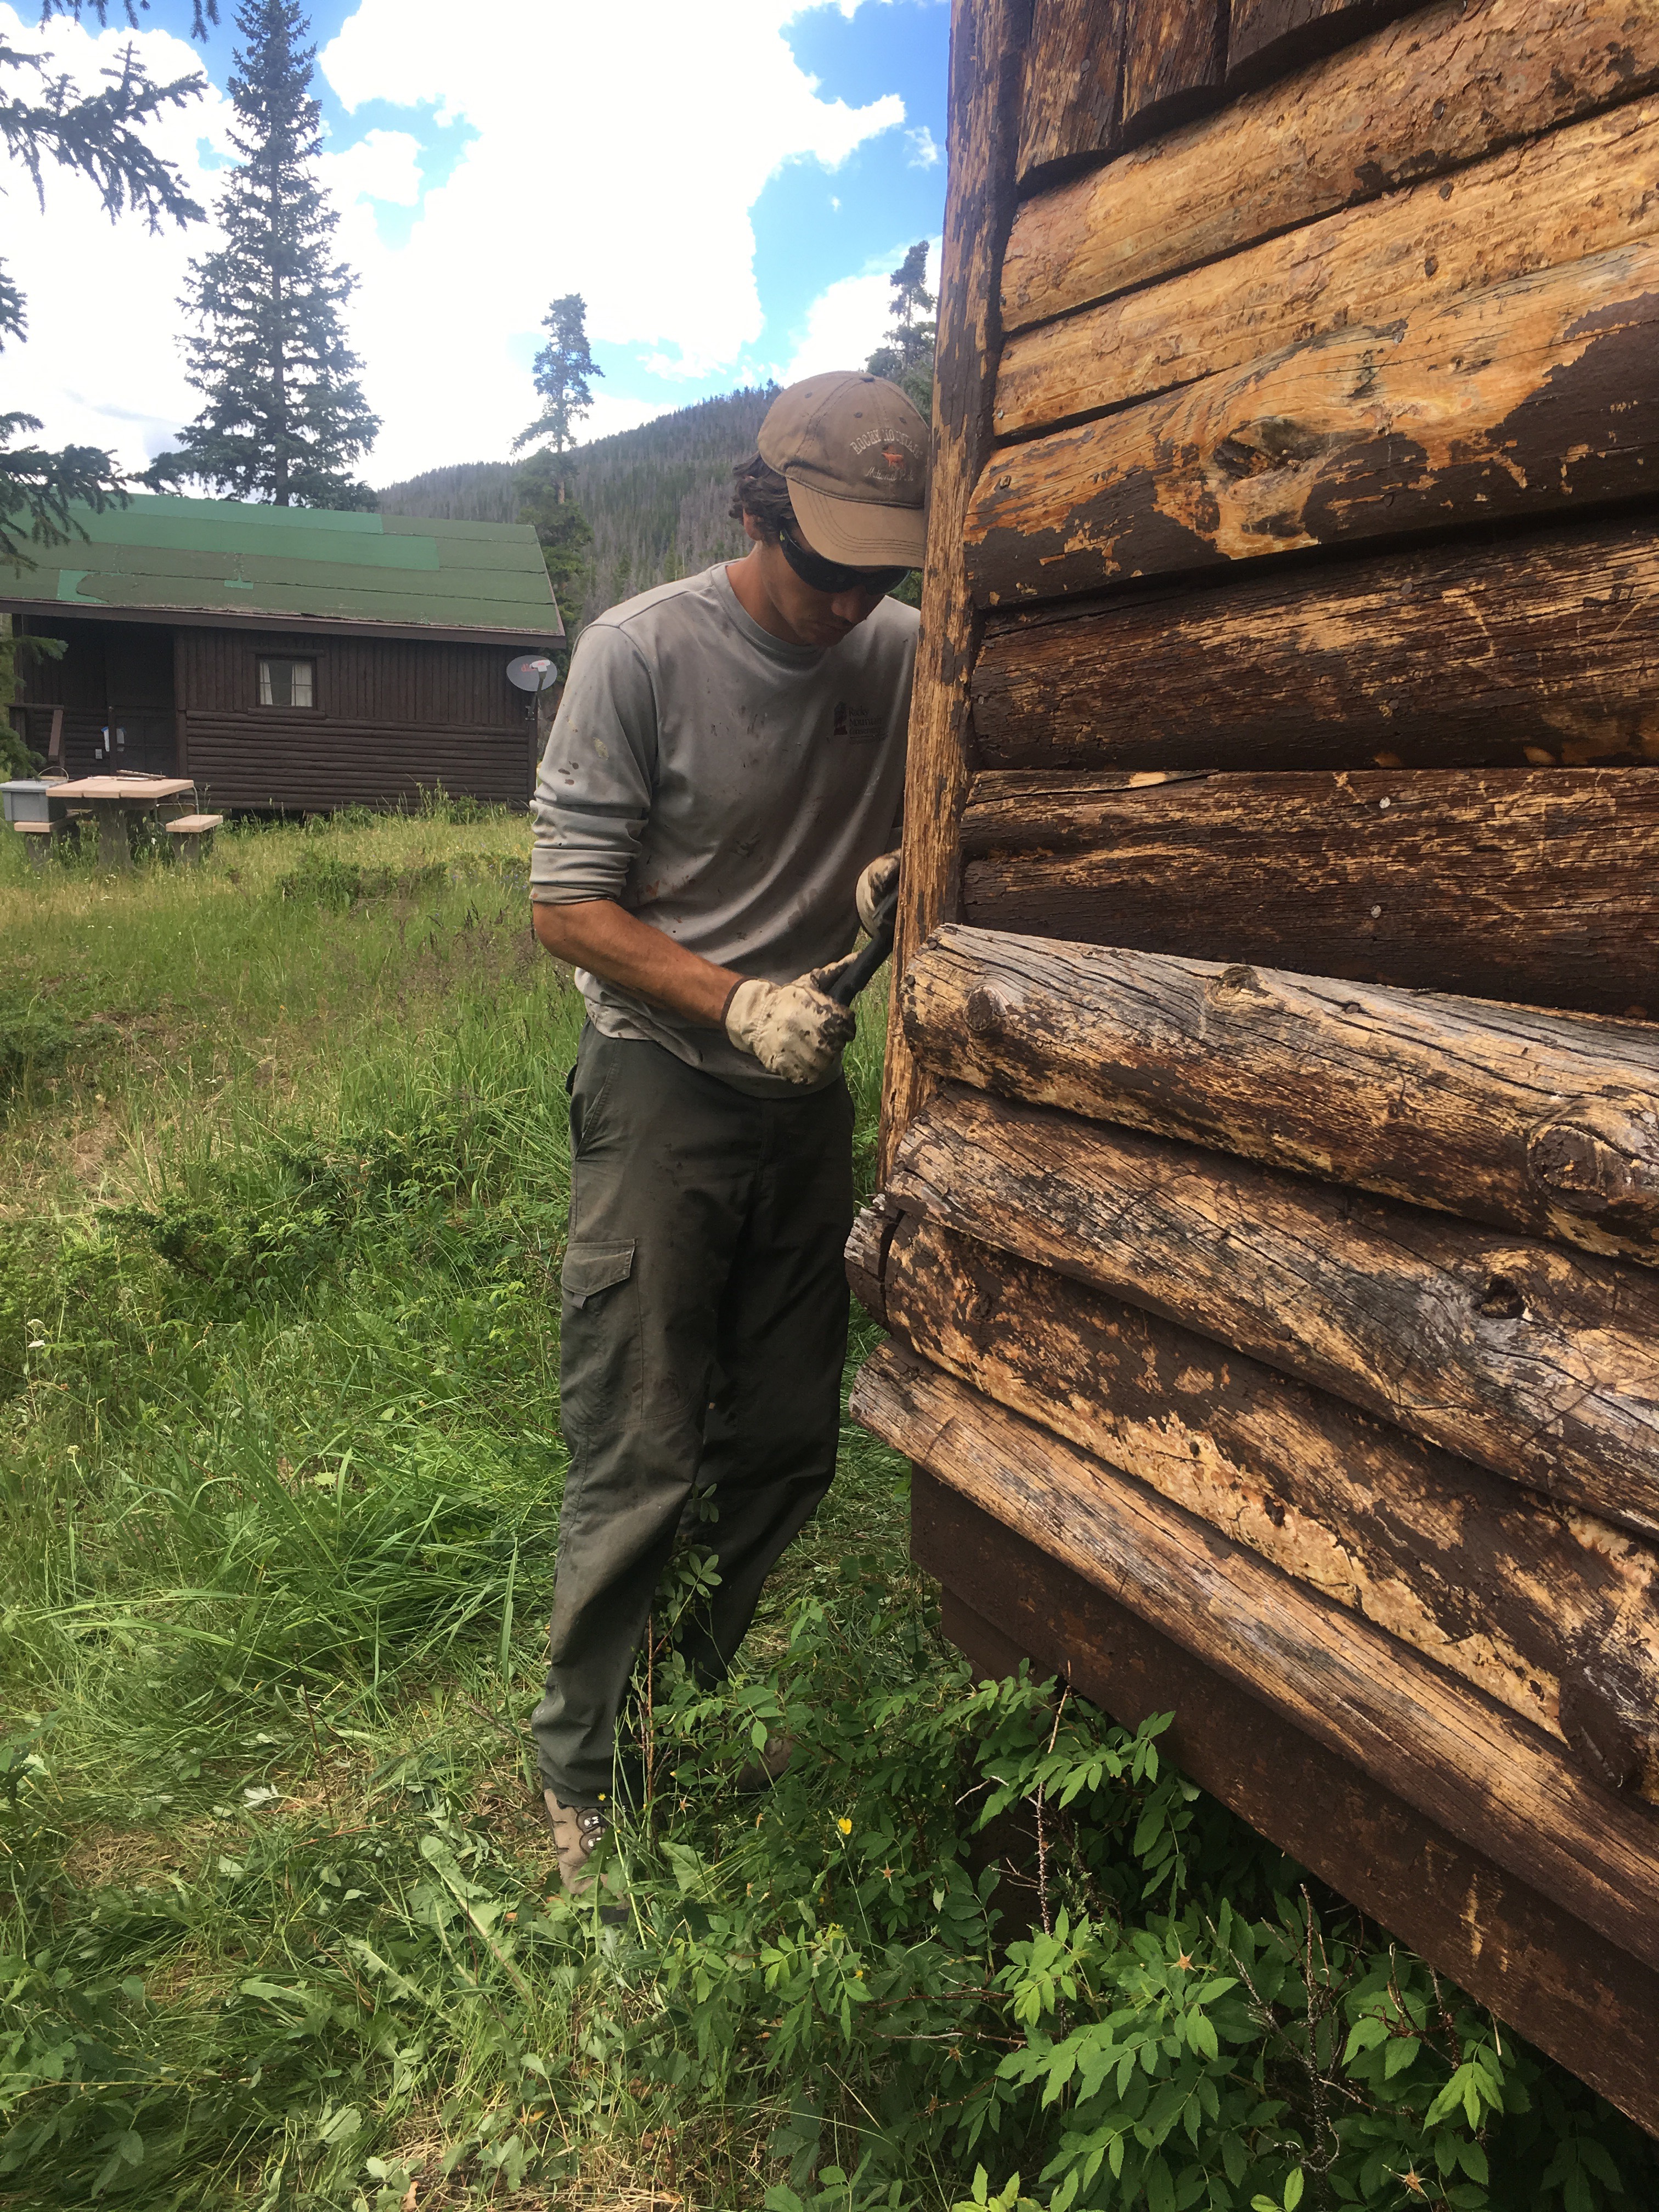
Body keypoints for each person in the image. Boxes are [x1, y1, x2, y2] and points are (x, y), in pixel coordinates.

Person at [526, 371, 928, 1900]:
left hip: (801, 1103)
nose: (851, 600)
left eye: (880, 570)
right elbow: (567, 906)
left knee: (784, 1437)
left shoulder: (904, 655)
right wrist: (732, 1001)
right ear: (760, 514)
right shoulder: (641, 652)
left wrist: (911, 871)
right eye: (828, 565)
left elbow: (948, 791)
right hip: (661, 1086)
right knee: (639, 1437)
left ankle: (704, 1691)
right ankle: (581, 1767)